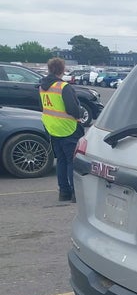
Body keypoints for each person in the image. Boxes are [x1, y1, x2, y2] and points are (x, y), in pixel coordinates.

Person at [39, 57, 84, 202]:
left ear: (49, 69)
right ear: (62, 70)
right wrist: (81, 112)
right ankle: (74, 193)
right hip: (68, 128)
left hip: (52, 128)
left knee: (61, 161)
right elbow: (73, 109)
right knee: (71, 161)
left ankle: (63, 192)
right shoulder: (63, 87)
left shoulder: (42, 87)